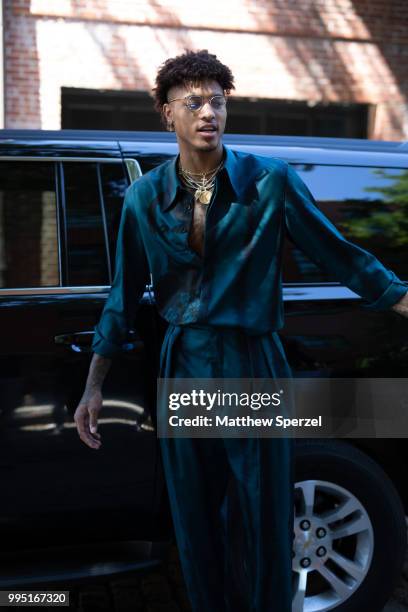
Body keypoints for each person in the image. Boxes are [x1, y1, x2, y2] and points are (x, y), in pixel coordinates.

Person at [74, 49, 408, 612]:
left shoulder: (268, 181)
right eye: (194, 102)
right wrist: (93, 383)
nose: (209, 112)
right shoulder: (143, 198)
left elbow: (341, 255)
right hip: (185, 364)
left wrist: (402, 300)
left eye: (219, 101)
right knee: (195, 522)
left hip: (252, 361)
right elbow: (123, 296)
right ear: (167, 114)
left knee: (264, 518)